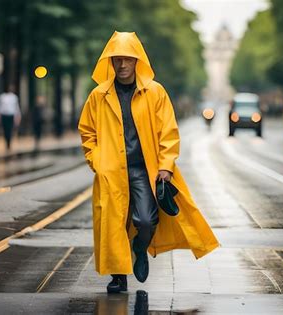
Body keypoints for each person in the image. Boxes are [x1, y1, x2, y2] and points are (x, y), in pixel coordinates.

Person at [78, 31, 219, 294]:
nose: (122, 65)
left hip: (145, 170)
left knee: (145, 221)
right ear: (110, 62)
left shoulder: (155, 93)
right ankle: (118, 276)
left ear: (137, 61)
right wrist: (97, 160)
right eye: (117, 59)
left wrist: (165, 165)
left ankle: (139, 248)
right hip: (111, 172)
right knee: (113, 225)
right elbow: (87, 131)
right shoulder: (98, 95)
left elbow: (168, 131)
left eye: (127, 60)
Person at [0, 85, 21, 150]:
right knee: (5, 129)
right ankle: (6, 141)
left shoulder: (14, 97)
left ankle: (9, 142)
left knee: (10, 129)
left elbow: (16, 108)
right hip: (4, 115)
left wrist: (18, 116)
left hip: (11, 115)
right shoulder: (1, 97)